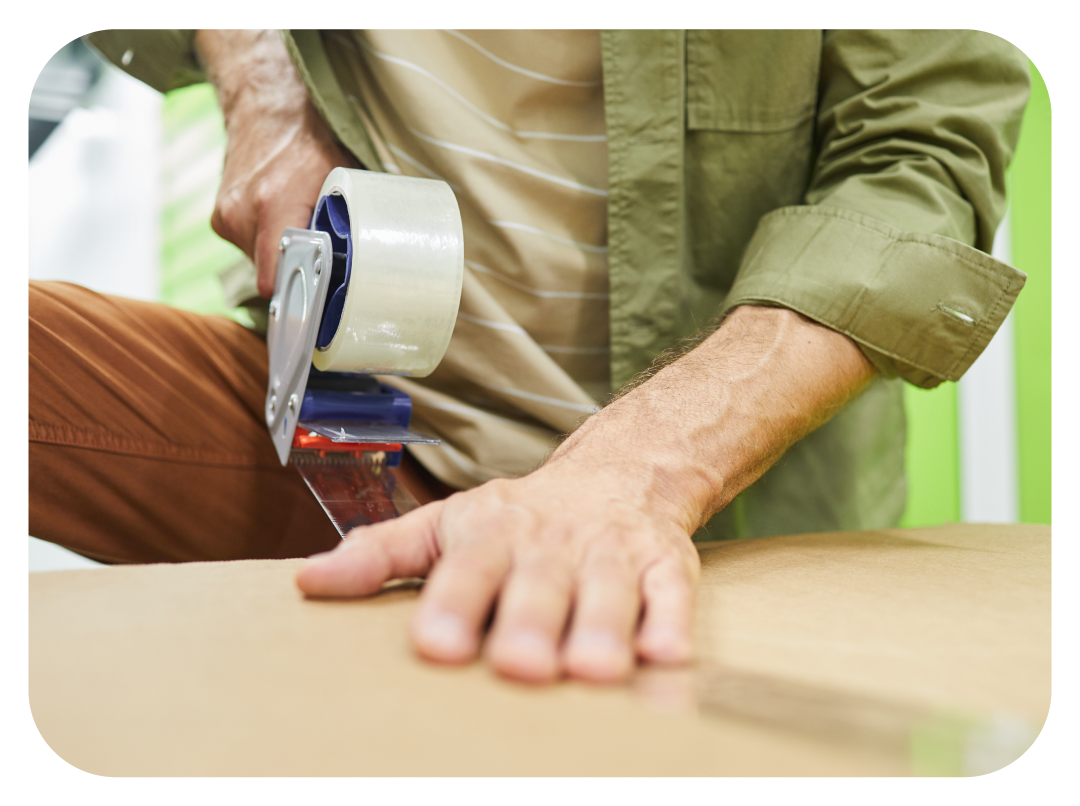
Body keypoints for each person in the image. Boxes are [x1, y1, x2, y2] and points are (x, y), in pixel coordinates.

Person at [29, 29, 1029, 684]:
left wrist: (634, 476)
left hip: (707, 503)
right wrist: (263, 90)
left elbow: (914, 164)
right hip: (353, 420)